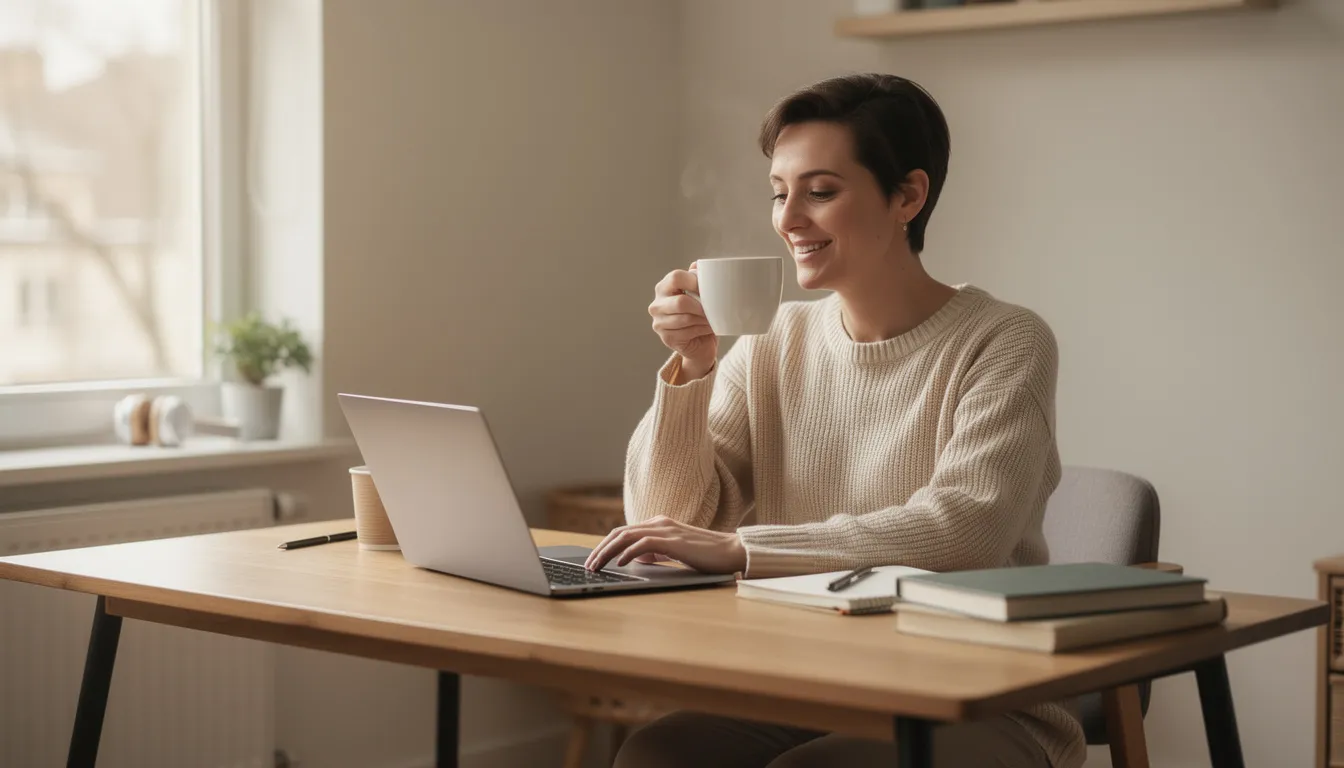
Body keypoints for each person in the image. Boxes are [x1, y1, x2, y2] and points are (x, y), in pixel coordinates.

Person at [585, 73, 1086, 768]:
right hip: (815, 681)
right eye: (779, 192)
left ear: (908, 195)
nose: (789, 219)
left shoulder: (1004, 340)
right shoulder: (771, 340)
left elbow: (965, 528)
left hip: (978, 693)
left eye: (820, 192)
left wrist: (745, 550)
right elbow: (667, 521)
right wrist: (693, 369)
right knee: (659, 755)